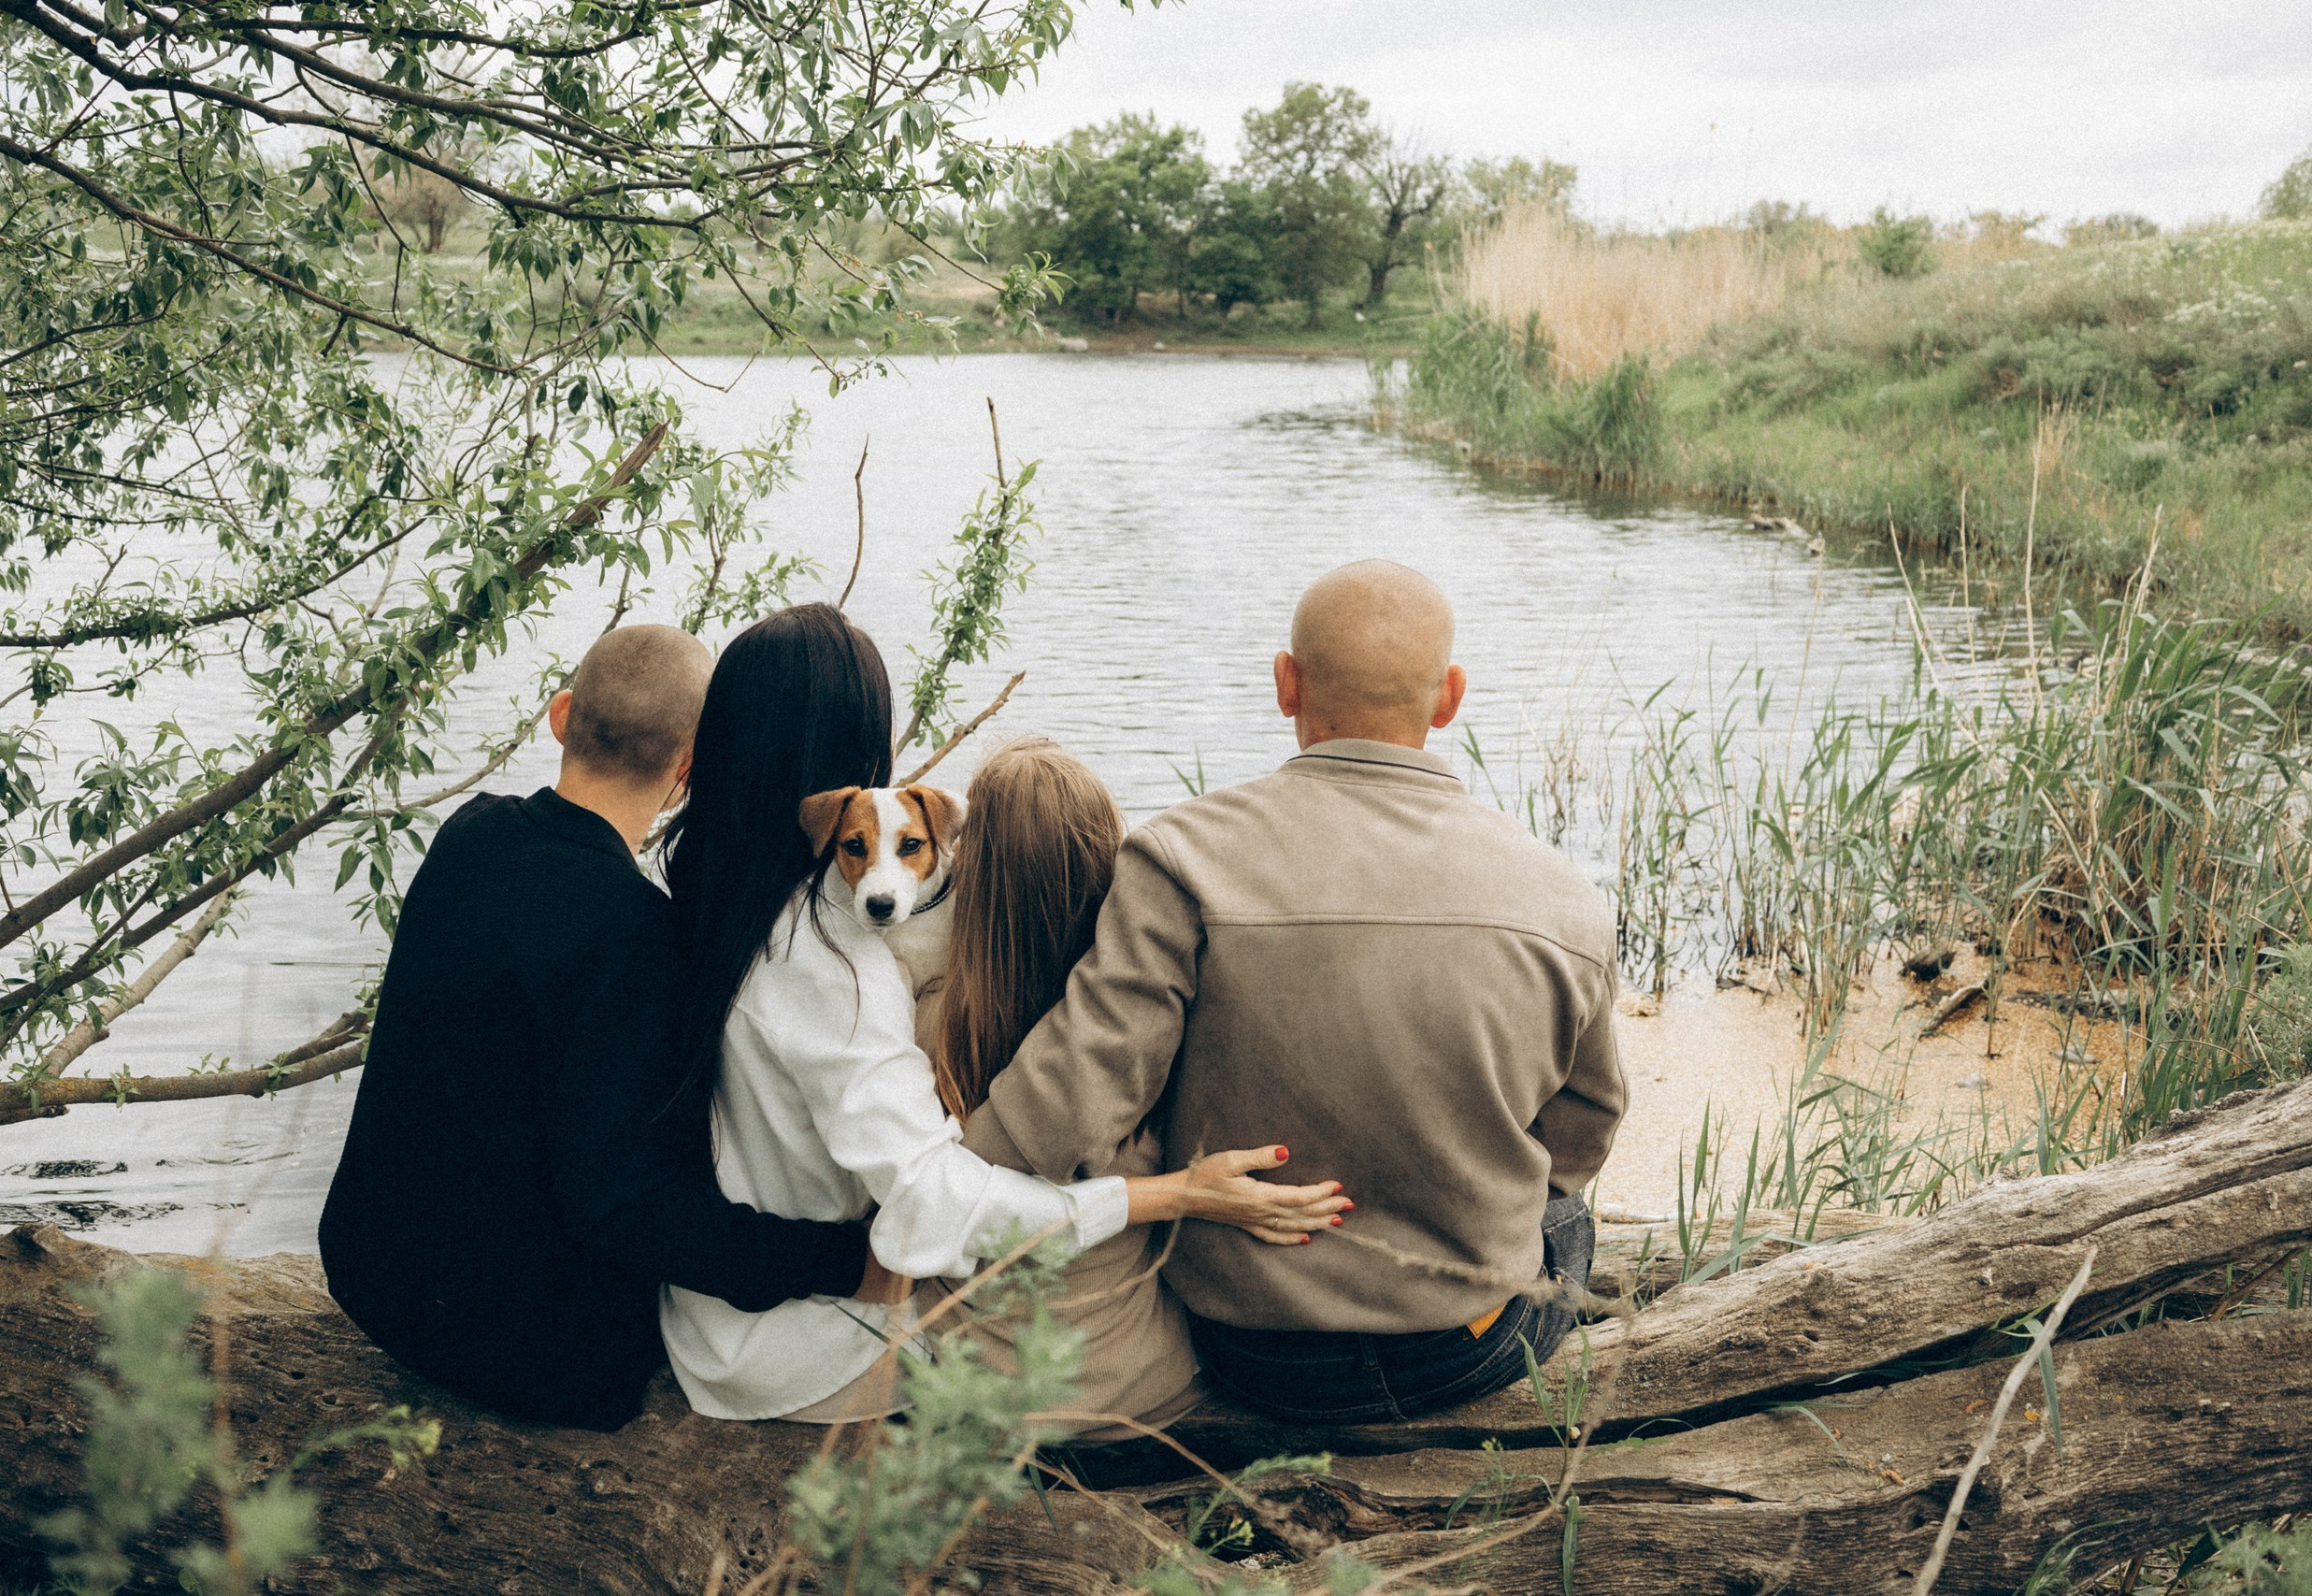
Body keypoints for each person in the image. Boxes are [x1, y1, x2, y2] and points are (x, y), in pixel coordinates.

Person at [960, 561, 1626, 1425]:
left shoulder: (1181, 857)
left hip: (1253, 1350)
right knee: (1568, 1224)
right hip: (1463, 1344)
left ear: (1286, 683)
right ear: (1449, 697)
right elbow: (1584, 1134)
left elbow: (1059, 1114)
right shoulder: (1563, 897)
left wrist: (937, 1181)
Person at [655, 605, 1347, 1424]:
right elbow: (935, 1198)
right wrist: (1174, 1193)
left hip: (716, 1313)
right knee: (1076, 1344)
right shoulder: (835, 967)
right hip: (805, 1344)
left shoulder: (719, 899)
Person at [319, 624, 889, 1431]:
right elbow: (631, 1209)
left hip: (369, 1270)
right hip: (522, 1350)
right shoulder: (631, 935)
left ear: (561, 715)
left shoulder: (469, 833)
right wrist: (847, 1262)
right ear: (689, 768)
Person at [914, 738, 1203, 1437]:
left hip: (970, 1390)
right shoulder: (1154, 1031)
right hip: (1136, 1392)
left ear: (971, 876)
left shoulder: (923, 1026)